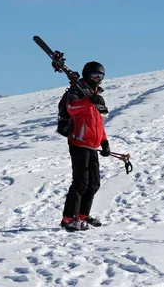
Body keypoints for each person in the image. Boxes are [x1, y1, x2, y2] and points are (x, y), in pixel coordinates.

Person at [60, 61, 111, 232]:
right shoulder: (77, 92)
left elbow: (98, 123)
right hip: (79, 142)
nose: (98, 79)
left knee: (94, 184)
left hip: (92, 145)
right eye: (95, 76)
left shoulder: (96, 96)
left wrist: (104, 142)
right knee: (80, 183)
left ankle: (81, 217)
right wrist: (90, 102)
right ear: (87, 75)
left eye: (101, 76)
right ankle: (68, 219)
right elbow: (71, 107)